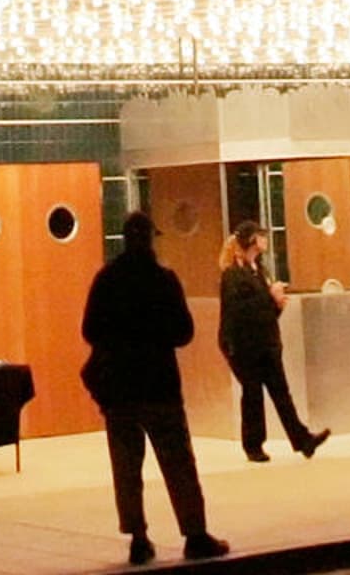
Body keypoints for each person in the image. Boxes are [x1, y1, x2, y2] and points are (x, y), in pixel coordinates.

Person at [80, 210, 229, 565]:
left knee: (127, 468)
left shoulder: (106, 280)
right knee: (178, 463)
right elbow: (183, 332)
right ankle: (194, 534)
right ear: (150, 239)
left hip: (119, 390)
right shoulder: (163, 280)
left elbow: (89, 331)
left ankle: (138, 538)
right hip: (159, 385)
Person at [217, 221, 329, 462]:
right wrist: (271, 298)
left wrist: (276, 304)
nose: (265, 240)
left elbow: (265, 312)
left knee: (281, 392)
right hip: (245, 346)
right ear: (251, 241)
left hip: (267, 341)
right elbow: (240, 311)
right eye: (260, 236)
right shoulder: (233, 275)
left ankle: (302, 440)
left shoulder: (261, 270)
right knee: (253, 394)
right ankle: (253, 445)